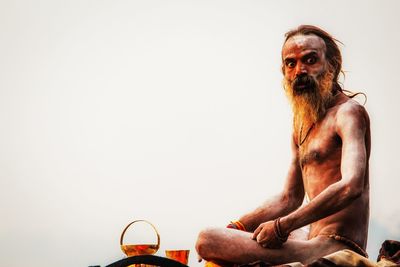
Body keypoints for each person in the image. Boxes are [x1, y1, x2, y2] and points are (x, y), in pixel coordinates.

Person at [195, 25, 371, 266]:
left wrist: (281, 226)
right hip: (310, 238)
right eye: (291, 63)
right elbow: (290, 197)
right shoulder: (301, 122)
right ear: (284, 71)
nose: (300, 70)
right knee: (235, 236)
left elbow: (351, 185)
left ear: (332, 64)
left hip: (337, 246)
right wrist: (239, 226)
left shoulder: (348, 112)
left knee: (207, 239)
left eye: (310, 60)